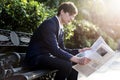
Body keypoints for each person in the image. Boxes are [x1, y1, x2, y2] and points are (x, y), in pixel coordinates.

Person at [23, 1, 91, 80]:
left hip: (45, 57)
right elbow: (55, 50)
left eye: (73, 16)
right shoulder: (49, 24)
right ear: (62, 12)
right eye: (70, 15)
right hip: (35, 59)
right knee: (67, 65)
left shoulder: (60, 28)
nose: (72, 19)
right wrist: (77, 59)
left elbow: (63, 49)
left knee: (73, 63)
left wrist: (80, 51)